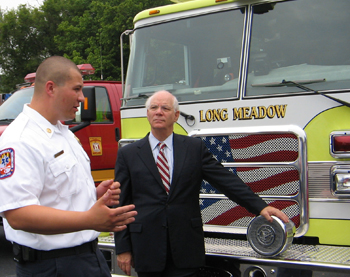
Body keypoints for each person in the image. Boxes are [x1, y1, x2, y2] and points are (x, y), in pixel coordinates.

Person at [114, 90, 289, 277]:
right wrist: (123, 248)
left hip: (186, 249)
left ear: (176, 115)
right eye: (154, 108)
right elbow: (121, 204)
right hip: (147, 250)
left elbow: (226, 180)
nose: (159, 112)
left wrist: (260, 207)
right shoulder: (129, 154)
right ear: (147, 113)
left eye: (165, 108)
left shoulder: (194, 148)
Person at [0, 56, 137, 277]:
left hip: (87, 258)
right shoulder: (21, 139)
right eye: (77, 89)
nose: (82, 98)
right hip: (52, 266)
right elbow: (18, 214)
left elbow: (55, 195)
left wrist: (93, 195)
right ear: (51, 88)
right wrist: (90, 219)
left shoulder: (62, 131)